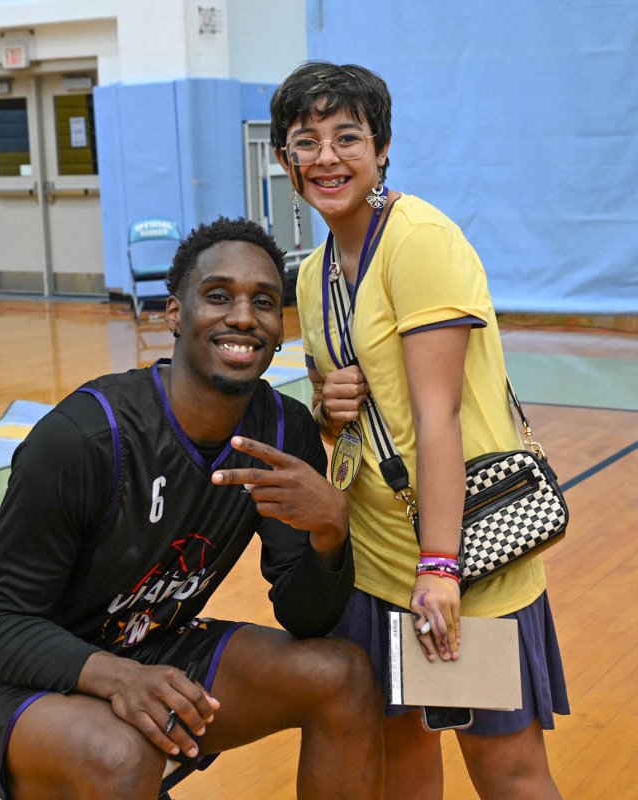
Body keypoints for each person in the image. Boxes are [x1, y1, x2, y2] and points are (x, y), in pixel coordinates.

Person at [0, 217, 385, 800]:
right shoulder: (84, 437)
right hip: (18, 679)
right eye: (219, 296)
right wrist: (118, 677)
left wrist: (330, 534)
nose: (243, 316)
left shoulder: (281, 430)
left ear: (278, 327)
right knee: (120, 754)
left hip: (147, 647)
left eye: (263, 302)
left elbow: (306, 618)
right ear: (174, 314)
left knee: (342, 675)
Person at [270, 62, 569, 800]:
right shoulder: (310, 276)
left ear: (382, 150)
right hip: (373, 560)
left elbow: (435, 415)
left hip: (461, 552)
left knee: (506, 768)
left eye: (347, 136)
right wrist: (327, 407)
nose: (326, 157)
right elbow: (358, 413)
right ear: (284, 160)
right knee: (398, 754)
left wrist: (440, 567)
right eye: (305, 142)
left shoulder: (419, 240)